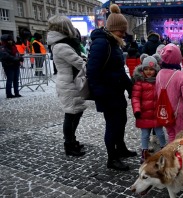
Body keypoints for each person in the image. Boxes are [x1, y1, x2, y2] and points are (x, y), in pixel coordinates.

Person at [87, 4, 137, 171]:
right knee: (113, 125)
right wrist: (100, 93)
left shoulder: (113, 43)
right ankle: (112, 158)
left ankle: (120, 148)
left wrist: (130, 87)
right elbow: (92, 71)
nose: (123, 34)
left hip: (116, 92)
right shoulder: (102, 43)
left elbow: (118, 71)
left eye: (124, 31)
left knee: (121, 121)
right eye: (121, 31)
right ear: (112, 29)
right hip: (107, 94)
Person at [47, 15, 87, 157]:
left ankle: (72, 140)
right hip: (68, 84)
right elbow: (79, 63)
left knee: (76, 113)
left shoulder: (65, 43)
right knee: (71, 114)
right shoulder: (61, 46)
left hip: (71, 82)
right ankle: (69, 145)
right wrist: (88, 62)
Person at [156, 43, 183, 142]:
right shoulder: (181, 75)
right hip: (177, 112)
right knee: (180, 137)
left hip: (164, 110)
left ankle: (171, 155)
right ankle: (179, 156)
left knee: (171, 134)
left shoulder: (159, 73)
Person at [131, 54, 167, 162]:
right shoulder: (139, 83)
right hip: (144, 114)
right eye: (146, 69)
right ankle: (144, 151)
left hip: (156, 114)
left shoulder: (159, 81)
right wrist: (137, 110)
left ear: (155, 69)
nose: (148, 71)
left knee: (160, 133)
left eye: (151, 69)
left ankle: (164, 150)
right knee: (145, 134)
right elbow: (135, 98)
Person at [0, 34, 24, 98]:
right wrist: (16, 59)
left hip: (16, 65)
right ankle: (9, 94)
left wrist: (20, 57)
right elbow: (6, 56)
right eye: (9, 40)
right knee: (10, 80)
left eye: (11, 39)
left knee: (16, 80)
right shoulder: (2, 47)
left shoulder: (13, 46)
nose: (10, 41)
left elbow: (17, 53)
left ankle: (17, 92)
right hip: (8, 65)